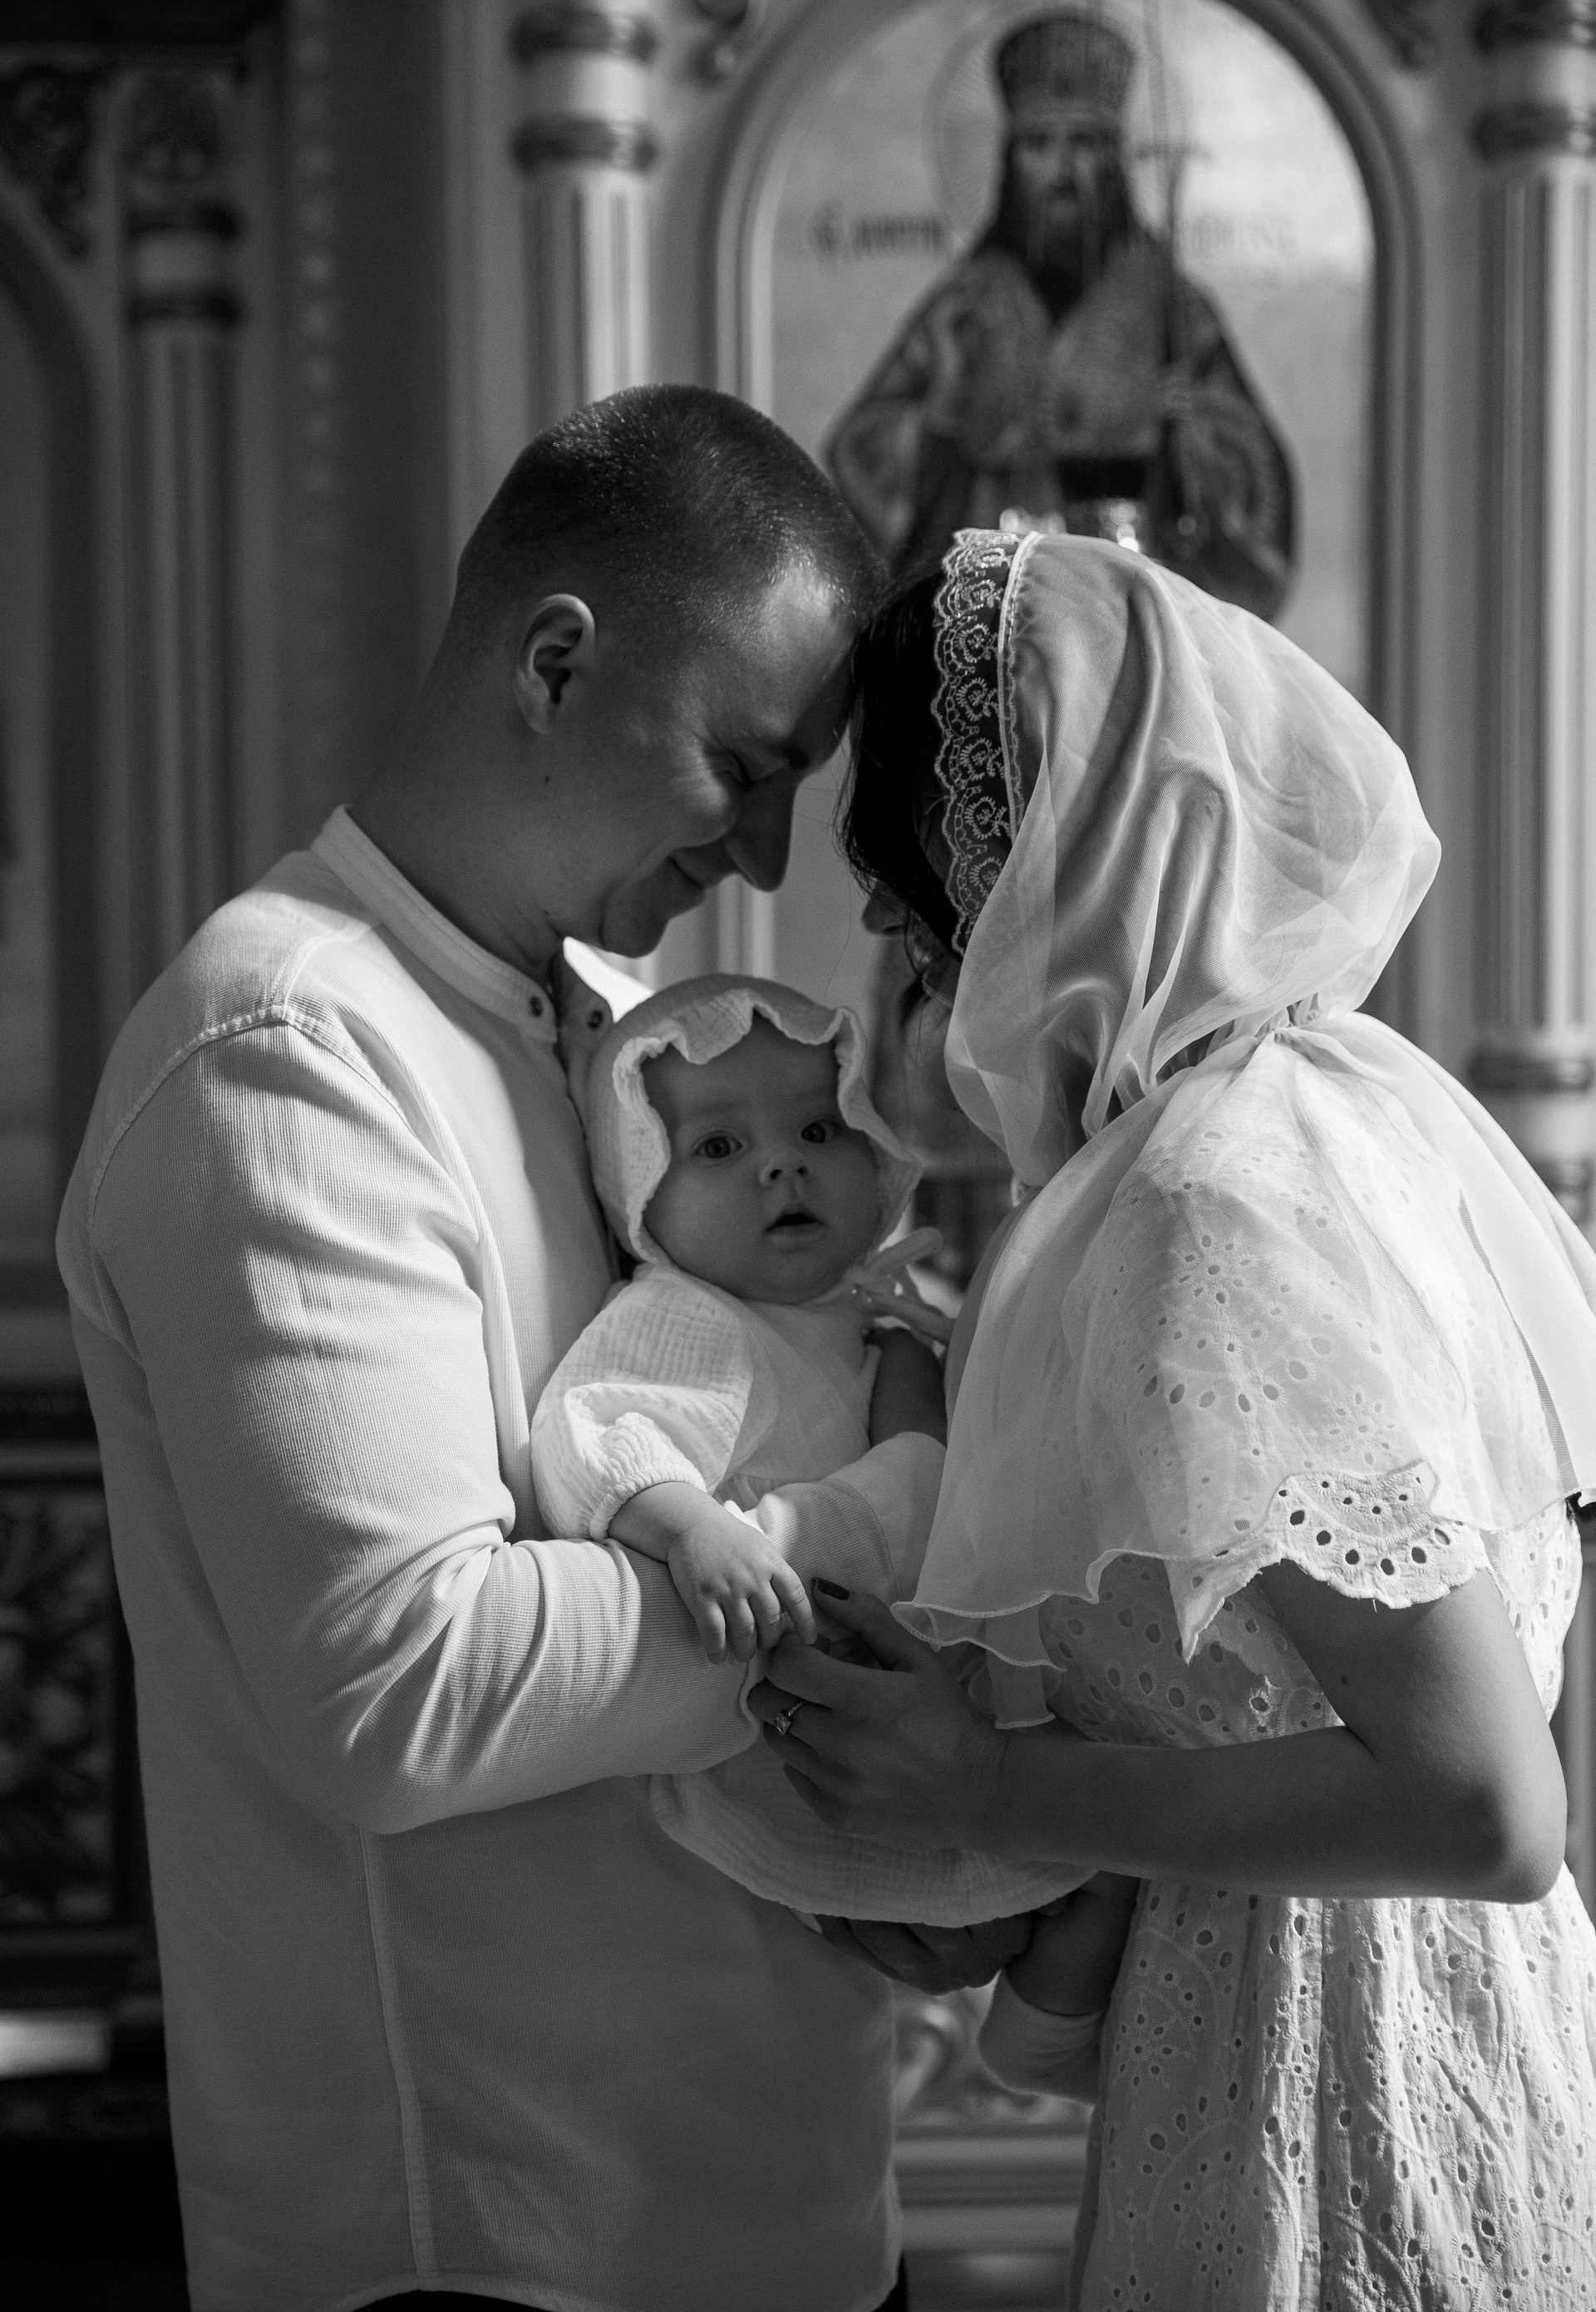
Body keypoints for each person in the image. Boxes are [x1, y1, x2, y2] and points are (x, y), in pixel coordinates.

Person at [54, 387, 938, 2312]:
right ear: (556, 661)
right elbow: (402, 1682)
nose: (762, 852)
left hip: (786, 2196)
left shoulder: (633, 1037)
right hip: (496, 2245)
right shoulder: (286, 1051)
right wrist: (868, 1562)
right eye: (742, 766)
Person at [752, 525, 1596, 2308]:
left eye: (921, 876)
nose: (901, 939)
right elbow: (1273, 1705)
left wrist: (988, 1786)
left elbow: (1485, 1805)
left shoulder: (1211, 1204)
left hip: (1334, 2114)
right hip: (1333, 2045)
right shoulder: (1331, 1109)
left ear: (1069, 849)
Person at [531, 975, 947, 1665]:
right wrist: (692, 1529)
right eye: (719, 1146)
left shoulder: (852, 1321)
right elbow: (592, 1428)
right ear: (641, 1194)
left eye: (818, 1130)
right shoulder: (689, 1312)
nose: (786, 1163)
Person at [826, 9, 1294, 618]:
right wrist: (940, 415)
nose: (1063, 170)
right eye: (1041, 145)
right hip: (988, 608)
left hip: (1131, 604)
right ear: (1010, 162)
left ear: (1115, 160)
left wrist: (1192, 427)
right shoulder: (965, 305)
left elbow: (1255, 472)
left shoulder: (1173, 307)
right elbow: (861, 447)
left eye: (1085, 144)